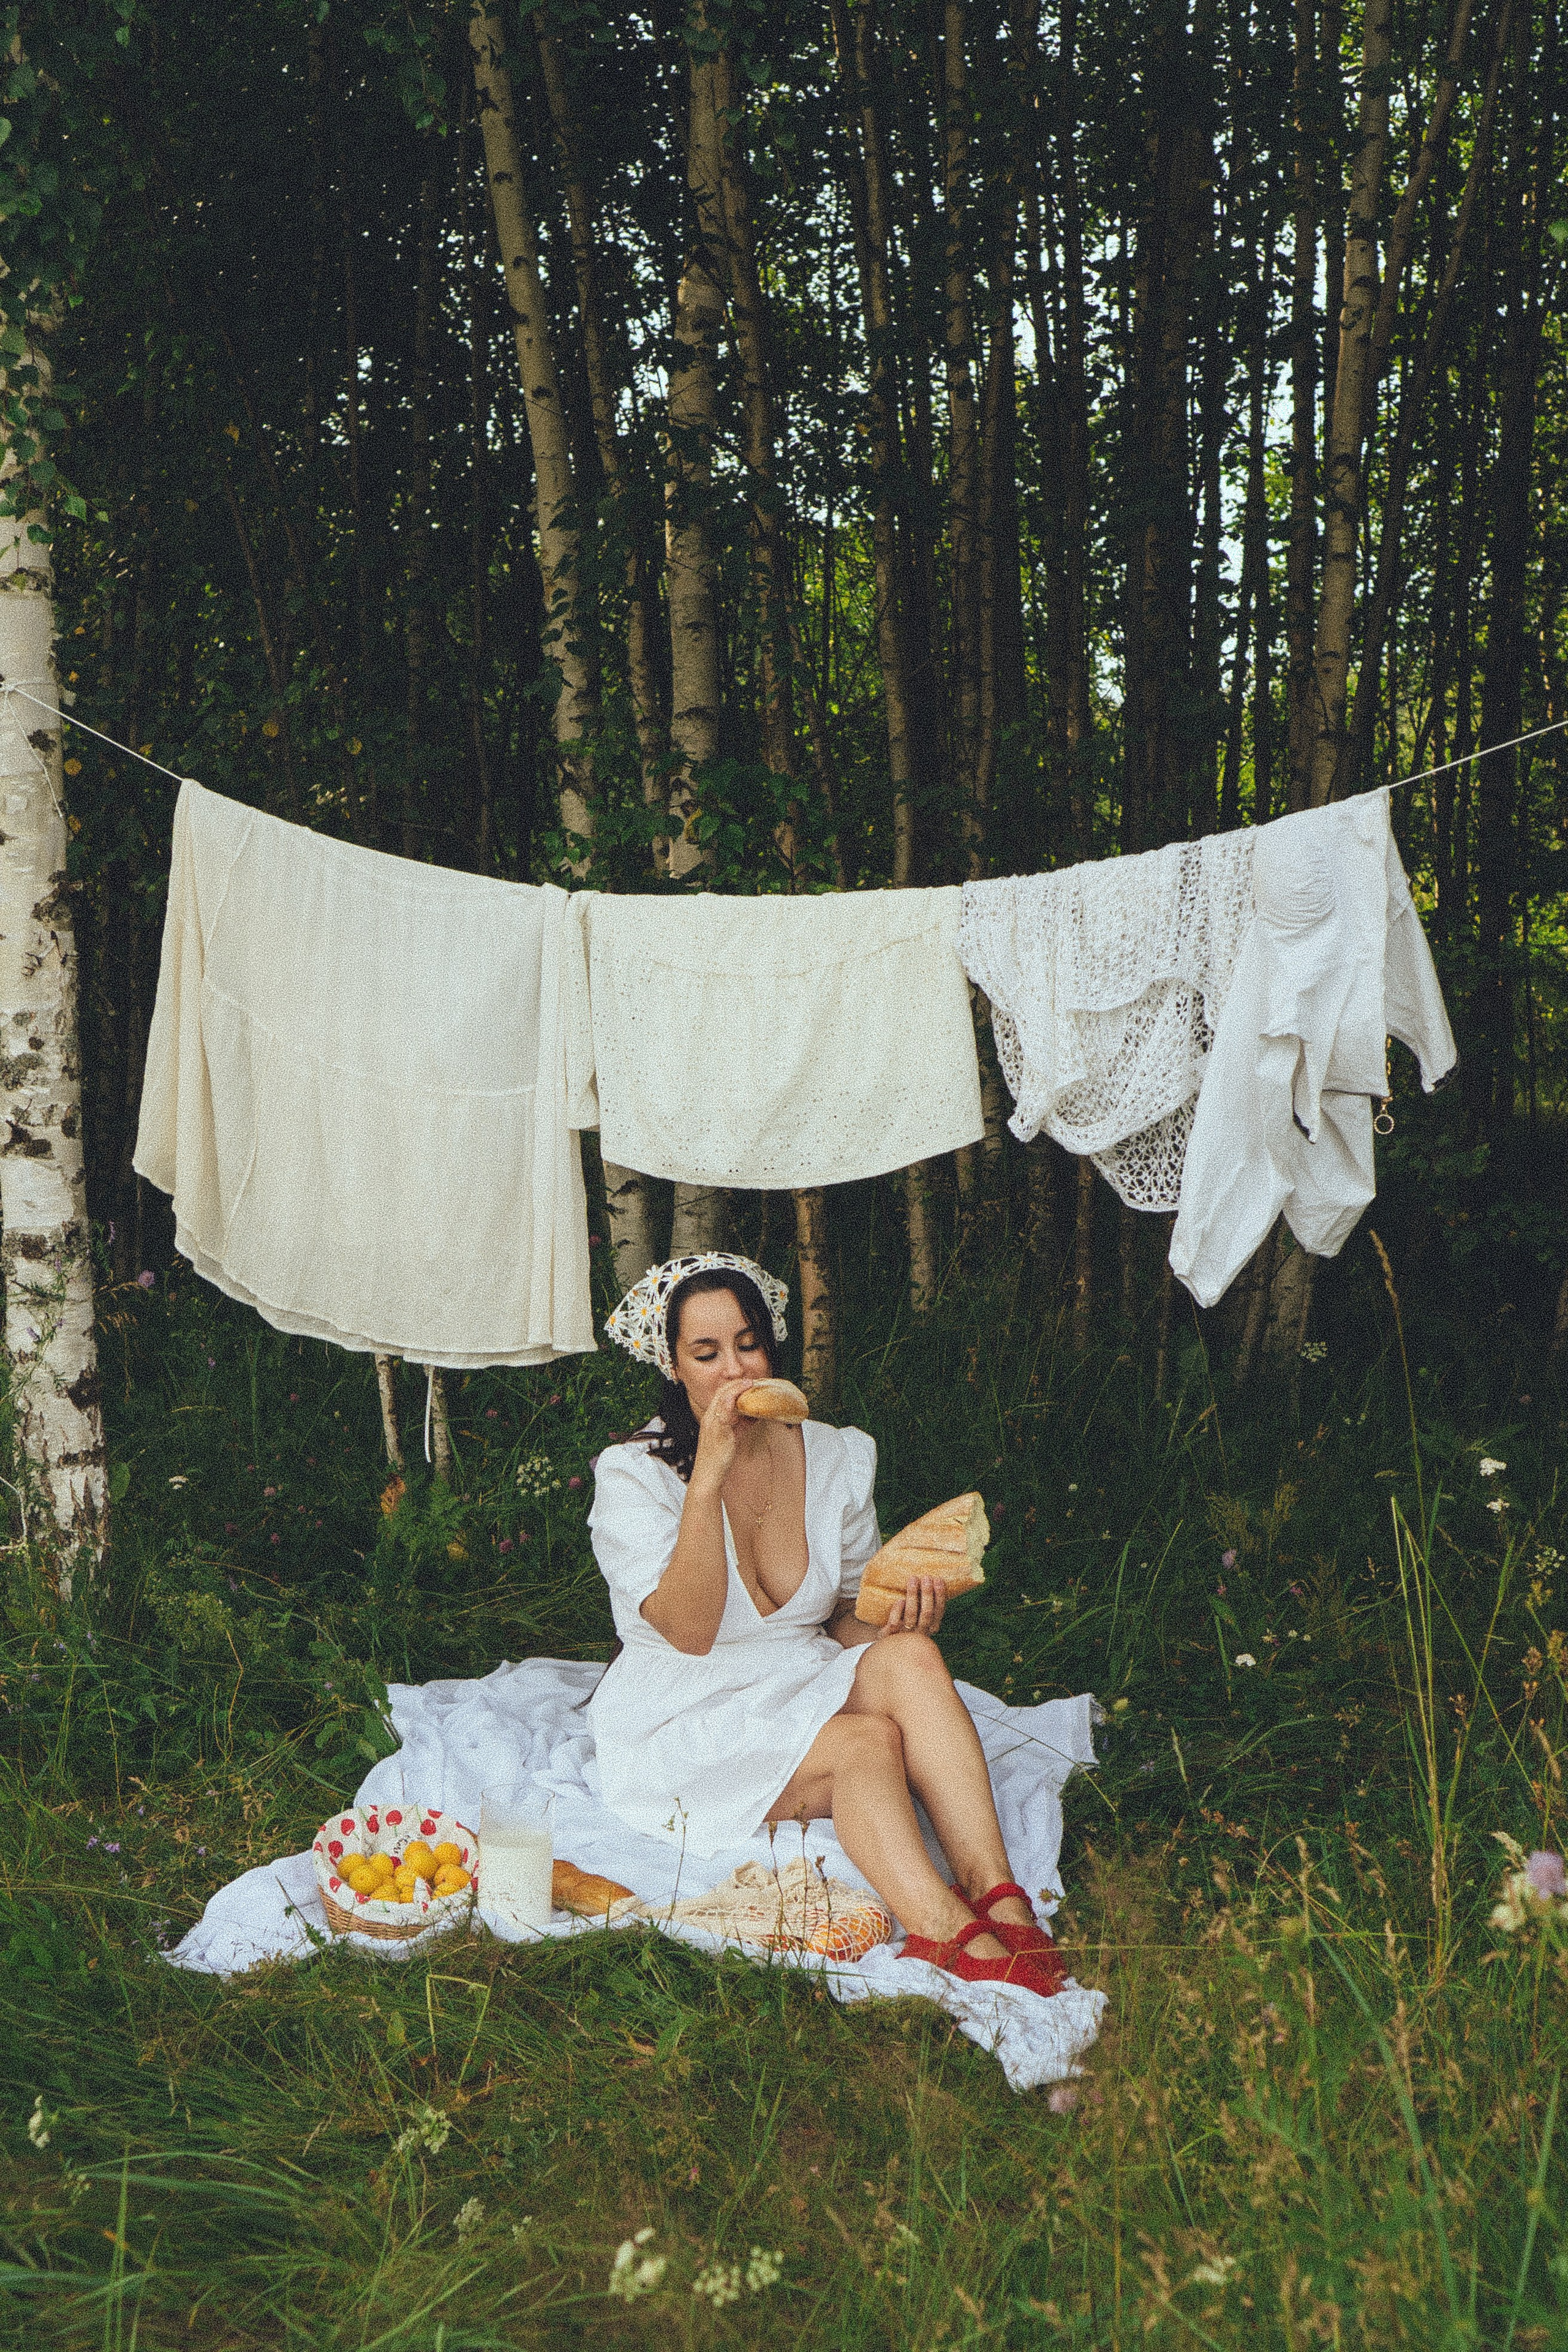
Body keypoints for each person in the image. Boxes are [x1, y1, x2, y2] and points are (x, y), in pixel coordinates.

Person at [589, 1251, 1066, 1996]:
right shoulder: (632, 1475)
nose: (736, 1370)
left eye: (748, 1344)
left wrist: (892, 1622)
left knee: (911, 1658)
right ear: (673, 1368)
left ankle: (999, 1896)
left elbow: (843, 1614)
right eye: (706, 1354)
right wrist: (708, 1471)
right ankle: (942, 1931)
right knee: (865, 1744)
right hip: (686, 1707)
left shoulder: (836, 1454)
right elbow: (689, 1630)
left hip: (794, 1673)